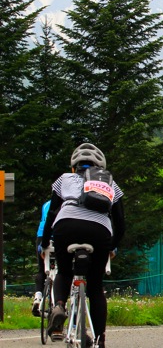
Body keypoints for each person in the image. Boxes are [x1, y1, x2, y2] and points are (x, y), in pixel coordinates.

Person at [41, 143, 125, 348]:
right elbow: (121, 223)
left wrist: (44, 243)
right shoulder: (111, 184)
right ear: (100, 167)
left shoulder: (64, 179)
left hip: (66, 226)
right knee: (95, 287)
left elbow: (51, 214)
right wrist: (111, 248)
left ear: (74, 167)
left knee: (63, 272)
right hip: (99, 231)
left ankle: (59, 305)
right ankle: (100, 339)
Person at [32, 200, 51, 316]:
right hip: (60, 233)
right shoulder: (71, 201)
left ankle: (38, 296)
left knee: (42, 268)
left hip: (42, 234)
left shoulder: (46, 204)